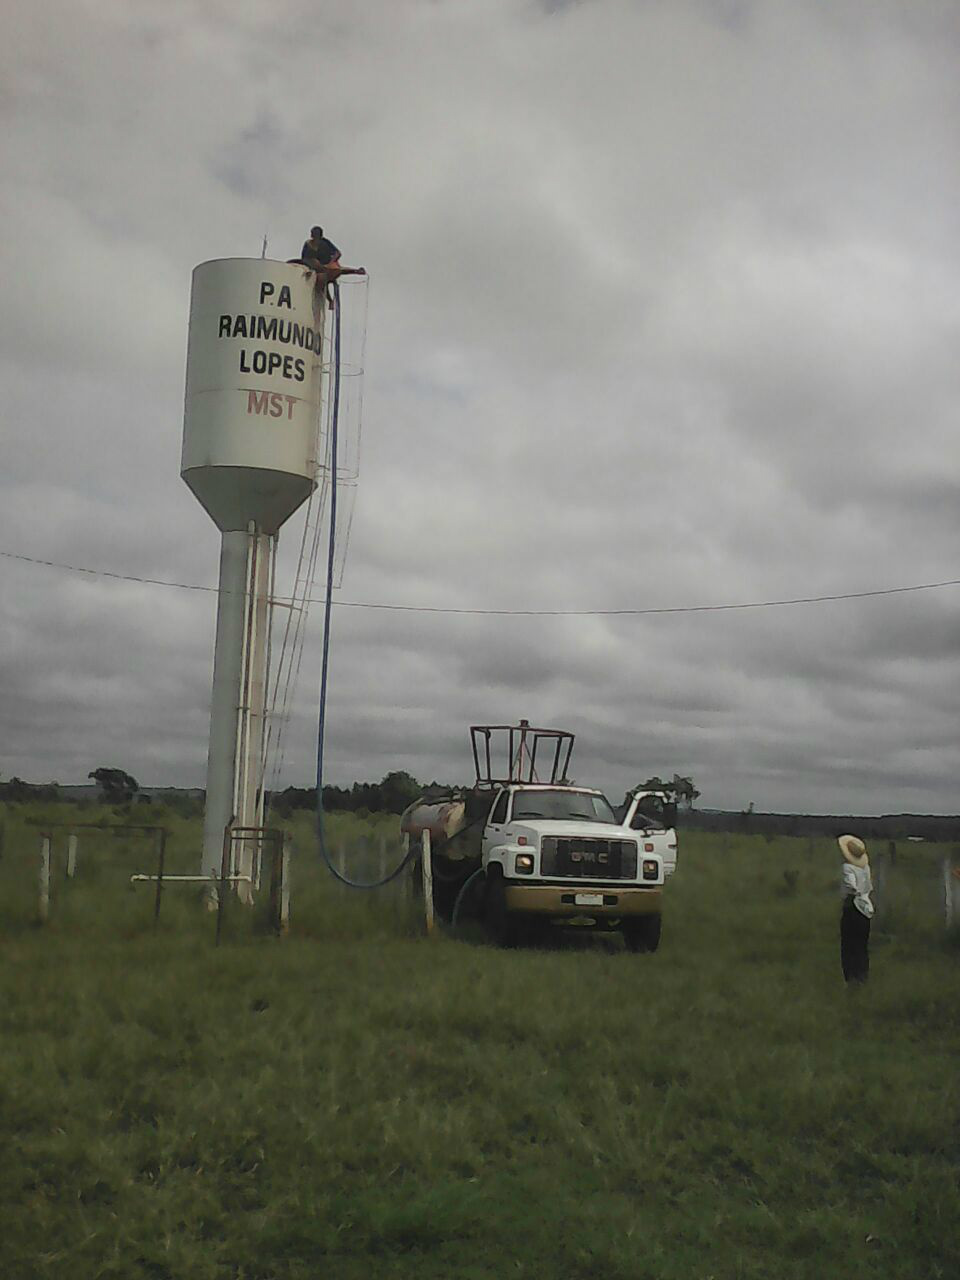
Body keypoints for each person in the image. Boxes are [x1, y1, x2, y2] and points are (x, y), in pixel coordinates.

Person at [291, 226, 366, 310]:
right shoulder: (308, 244)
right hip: (312, 265)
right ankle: (330, 300)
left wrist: (331, 262)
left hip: (325, 266)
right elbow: (304, 258)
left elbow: (338, 253)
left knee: (334, 271)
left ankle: (356, 271)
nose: (312, 235)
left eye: (314, 234)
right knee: (322, 278)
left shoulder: (325, 243)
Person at [838, 834, 874, 984]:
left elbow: (851, 887)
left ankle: (851, 979)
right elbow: (869, 887)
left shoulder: (847, 868)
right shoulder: (866, 868)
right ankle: (862, 977)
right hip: (866, 909)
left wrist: (852, 892)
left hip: (853, 907)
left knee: (848, 946)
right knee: (862, 946)